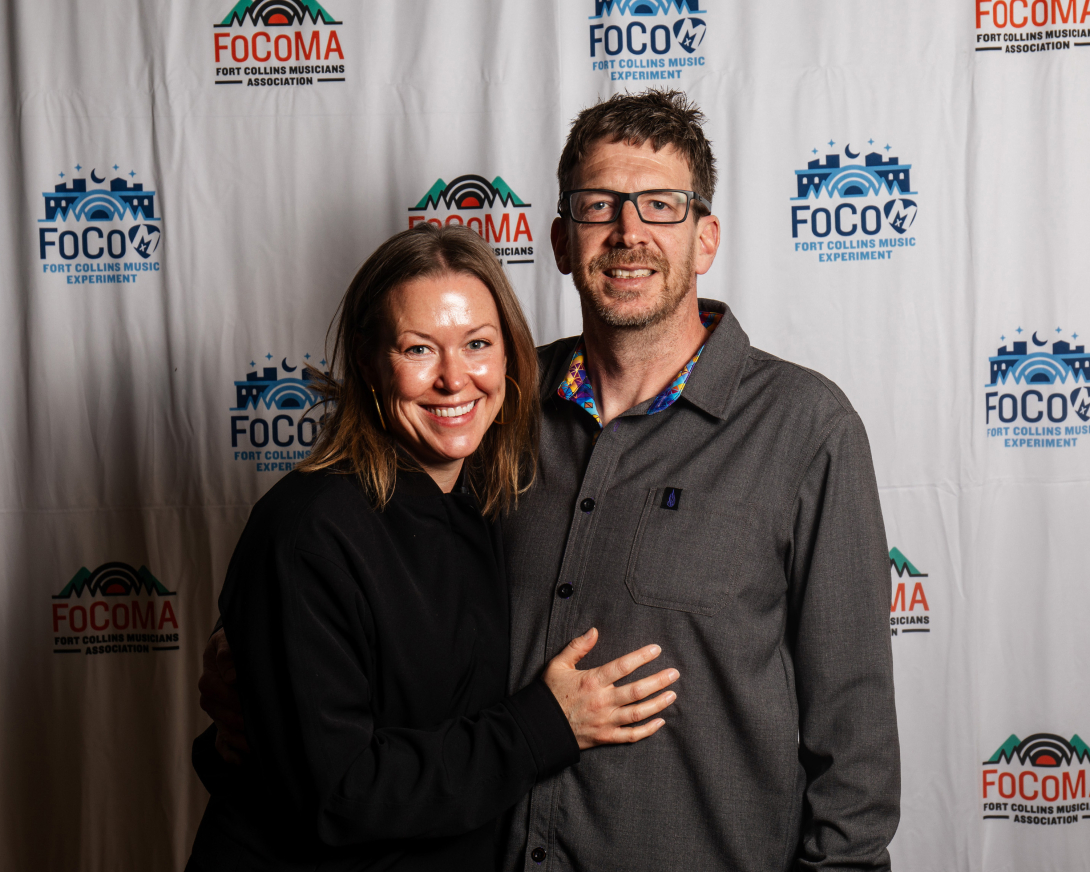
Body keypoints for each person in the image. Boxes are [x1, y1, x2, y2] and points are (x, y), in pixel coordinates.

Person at [202, 90, 901, 872]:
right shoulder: (494, 414)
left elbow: (855, 742)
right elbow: (381, 600)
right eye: (600, 206)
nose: (629, 231)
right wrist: (260, 688)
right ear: (563, 241)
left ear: (705, 239)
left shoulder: (805, 430)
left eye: (661, 206)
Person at [186, 224, 681, 872]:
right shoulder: (308, 531)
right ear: (368, 362)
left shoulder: (488, 500)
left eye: (478, 343)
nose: (455, 379)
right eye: (420, 349)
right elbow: (339, 795)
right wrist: (546, 726)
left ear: (510, 356)